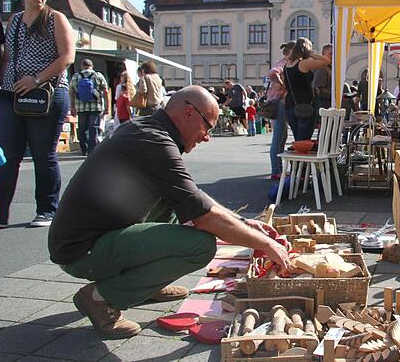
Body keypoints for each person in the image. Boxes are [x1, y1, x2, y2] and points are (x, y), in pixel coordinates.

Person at [48, 86, 290, 338]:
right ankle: (100, 298)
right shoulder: (155, 142)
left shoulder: (149, 129)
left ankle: (143, 284)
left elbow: (195, 199)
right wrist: (266, 244)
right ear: (188, 112)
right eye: (207, 126)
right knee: (199, 246)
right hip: (80, 253)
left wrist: (244, 223)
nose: (207, 136)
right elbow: (204, 216)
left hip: (88, 238)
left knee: (175, 206)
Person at [0, 0, 75, 229]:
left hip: (46, 92)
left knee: (43, 154)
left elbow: (67, 57)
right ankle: (0, 214)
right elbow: (6, 57)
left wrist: (36, 79)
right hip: (12, 92)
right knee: (6, 155)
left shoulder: (55, 18)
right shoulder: (15, 21)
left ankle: (47, 210)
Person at [283, 37, 330, 141]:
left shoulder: (287, 65)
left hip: (290, 105)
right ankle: (299, 157)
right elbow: (326, 61)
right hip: (304, 106)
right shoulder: (303, 63)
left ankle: (296, 157)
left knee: (298, 139)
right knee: (303, 141)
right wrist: (309, 54)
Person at [70, 59, 109, 156]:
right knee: (94, 127)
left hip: (81, 107)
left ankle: (84, 149)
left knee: (82, 128)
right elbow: (105, 91)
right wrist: (107, 106)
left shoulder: (76, 76)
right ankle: (92, 150)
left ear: (82, 66)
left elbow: (71, 92)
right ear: (92, 66)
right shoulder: (98, 76)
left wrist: (72, 107)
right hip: (96, 106)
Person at [267, 41, 294, 179]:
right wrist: (282, 84)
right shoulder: (283, 64)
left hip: (278, 101)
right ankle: (276, 170)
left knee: (282, 136)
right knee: (278, 137)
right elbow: (272, 73)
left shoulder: (282, 62)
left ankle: (278, 169)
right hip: (279, 102)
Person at [313, 44, 332, 109]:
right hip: (322, 105)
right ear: (323, 54)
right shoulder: (322, 67)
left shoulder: (329, 68)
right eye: (331, 54)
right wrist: (334, 96)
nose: (333, 56)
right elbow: (319, 89)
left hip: (326, 104)